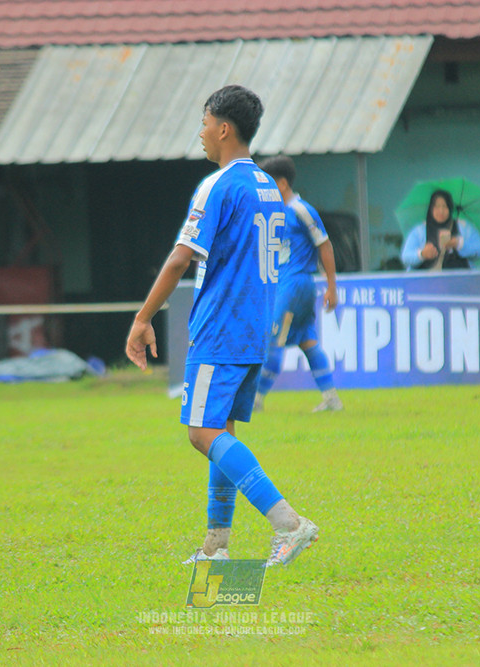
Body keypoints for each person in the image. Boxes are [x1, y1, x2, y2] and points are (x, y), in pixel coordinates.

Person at [125, 85, 318, 567]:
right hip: (253, 330)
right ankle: (217, 546)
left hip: (221, 329)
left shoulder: (219, 184)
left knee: (200, 432)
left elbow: (179, 259)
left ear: (224, 128)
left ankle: (289, 524)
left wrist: (142, 318)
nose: (202, 133)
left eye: (205, 122)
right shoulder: (266, 186)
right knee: (221, 431)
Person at [253, 155, 342, 413]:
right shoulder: (273, 213)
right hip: (287, 284)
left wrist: (332, 286)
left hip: (295, 284)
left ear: (281, 184)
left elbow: (324, 245)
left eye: (267, 184)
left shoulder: (301, 209)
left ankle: (255, 400)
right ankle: (331, 399)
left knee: (273, 339)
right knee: (307, 340)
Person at [400, 189, 480, 270]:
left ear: (450, 208)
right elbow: (406, 257)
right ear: (431, 208)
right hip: (427, 282)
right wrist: (422, 254)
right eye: (436, 206)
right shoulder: (420, 230)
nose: (441, 211)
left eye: (444, 206)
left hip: (460, 280)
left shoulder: (464, 227)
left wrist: (459, 244)